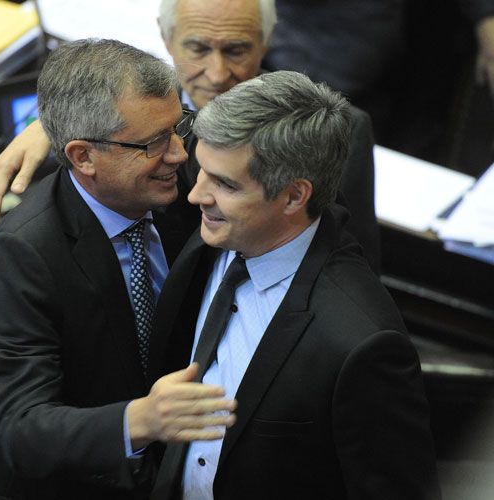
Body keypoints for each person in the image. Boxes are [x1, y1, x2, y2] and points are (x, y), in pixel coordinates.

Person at [0, 39, 239, 500]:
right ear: (83, 156)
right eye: (154, 143)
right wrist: (143, 419)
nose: (180, 155)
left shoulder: (169, 176)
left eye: (178, 127)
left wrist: (47, 125)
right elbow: (25, 429)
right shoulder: (21, 257)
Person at [148, 71, 440, 500]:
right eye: (201, 171)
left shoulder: (361, 343)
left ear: (292, 197)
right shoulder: (224, 228)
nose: (195, 195)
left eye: (225, 185)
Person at [0, 0, 381, 273]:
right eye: (198, 48)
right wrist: (58, 126)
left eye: (237, 50)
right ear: (166, 38)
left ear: (267, 41)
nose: (219, 73)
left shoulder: (336, 129)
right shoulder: (104, 123)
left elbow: (352, 260)